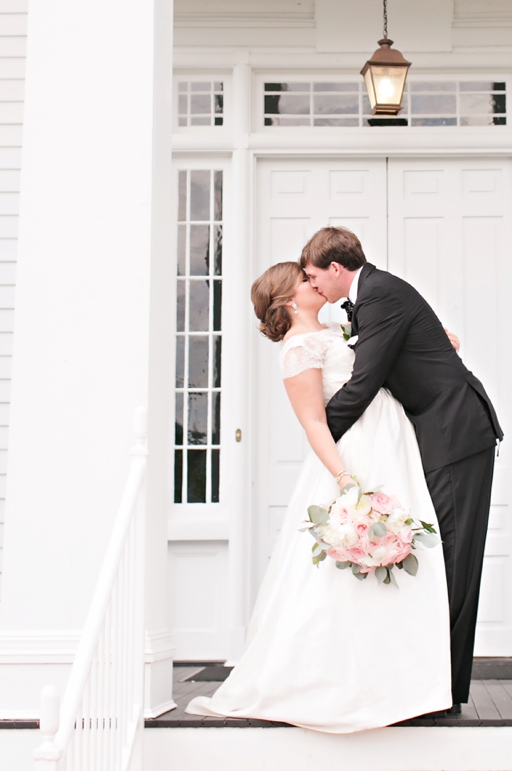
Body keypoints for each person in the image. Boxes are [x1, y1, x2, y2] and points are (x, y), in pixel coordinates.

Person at [185, 260, 452, 731]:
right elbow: (313, 420)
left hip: (393, 444)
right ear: (290, 300)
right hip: (355, 453)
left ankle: (404, 680)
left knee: (411, 554)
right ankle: (333, 679)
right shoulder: (298, 347)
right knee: (346, 573)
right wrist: (344, 478)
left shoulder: (339, 329)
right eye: (305, 281)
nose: (316, 282)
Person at [302, 228, 503, 715]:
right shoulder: (371, 298)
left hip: (455, 432)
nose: (313, 288)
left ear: (335, 268)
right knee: (442, 556)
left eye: (312, 276)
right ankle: (431, 682)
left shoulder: (381, 295)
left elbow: (365, 381)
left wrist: (319, 435)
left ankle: (446, 693)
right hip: (438, 434)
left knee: (455, 559)